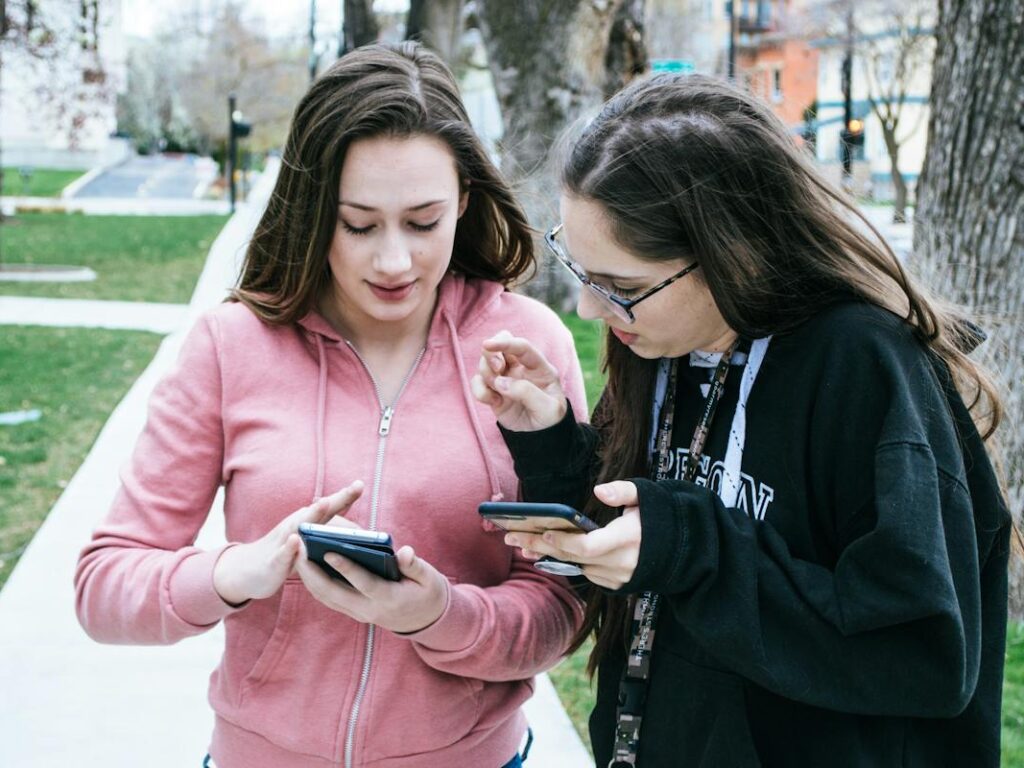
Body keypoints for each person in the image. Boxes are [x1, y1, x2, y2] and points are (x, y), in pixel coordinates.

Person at [473, 73, 1014, 767]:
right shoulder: (661, 340)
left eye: (623, 288)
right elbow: (639, 543)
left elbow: (922, 651)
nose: (590, 310)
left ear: (732, 249)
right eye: (580, 269)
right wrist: (550, 440)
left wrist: (693, 547)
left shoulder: (864, 366)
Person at [75, 42, 587, 768]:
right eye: (358, 224)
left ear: (465, 203)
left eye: (423, 221)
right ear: (315, 210)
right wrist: (234, 575)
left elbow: (565, 602)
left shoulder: (529, 346)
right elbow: (104, 586)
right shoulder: (230, 345)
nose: (392, 261)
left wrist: (440, 615)